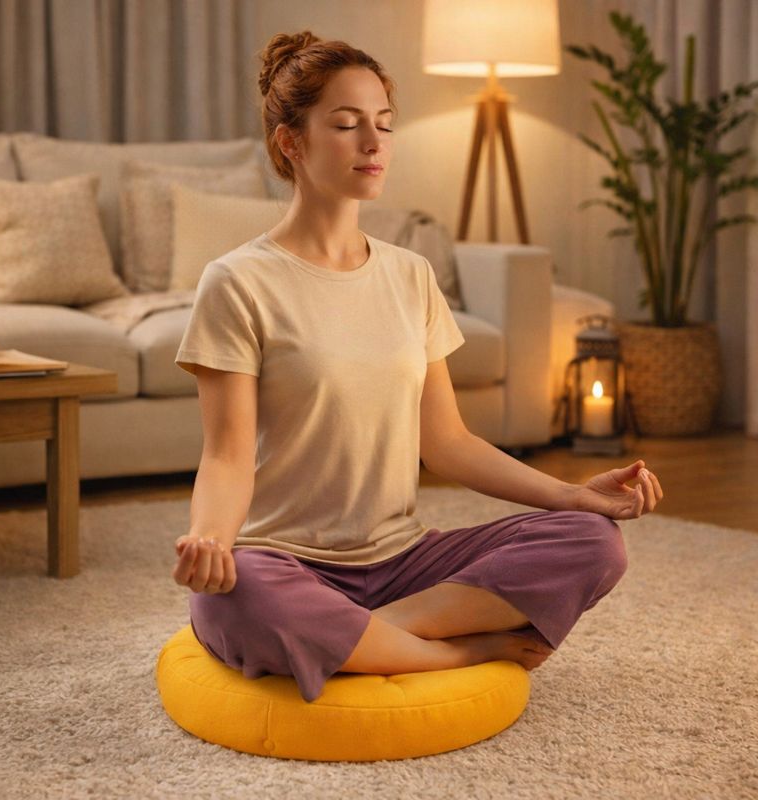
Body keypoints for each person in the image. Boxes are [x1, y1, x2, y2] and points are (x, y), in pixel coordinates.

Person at [170, 31, 664, 704]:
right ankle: (456, 650)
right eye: (346, 125)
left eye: (384, 125)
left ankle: (363, 639)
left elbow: (448, 443)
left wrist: (576, 494)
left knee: (593, 543)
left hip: (404, 562)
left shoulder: (411, 275)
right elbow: (226, 456)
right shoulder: (236, 282)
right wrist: (211, 542)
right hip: (286, 560)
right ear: (292, 143)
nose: (373, 143)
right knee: (231, 601)